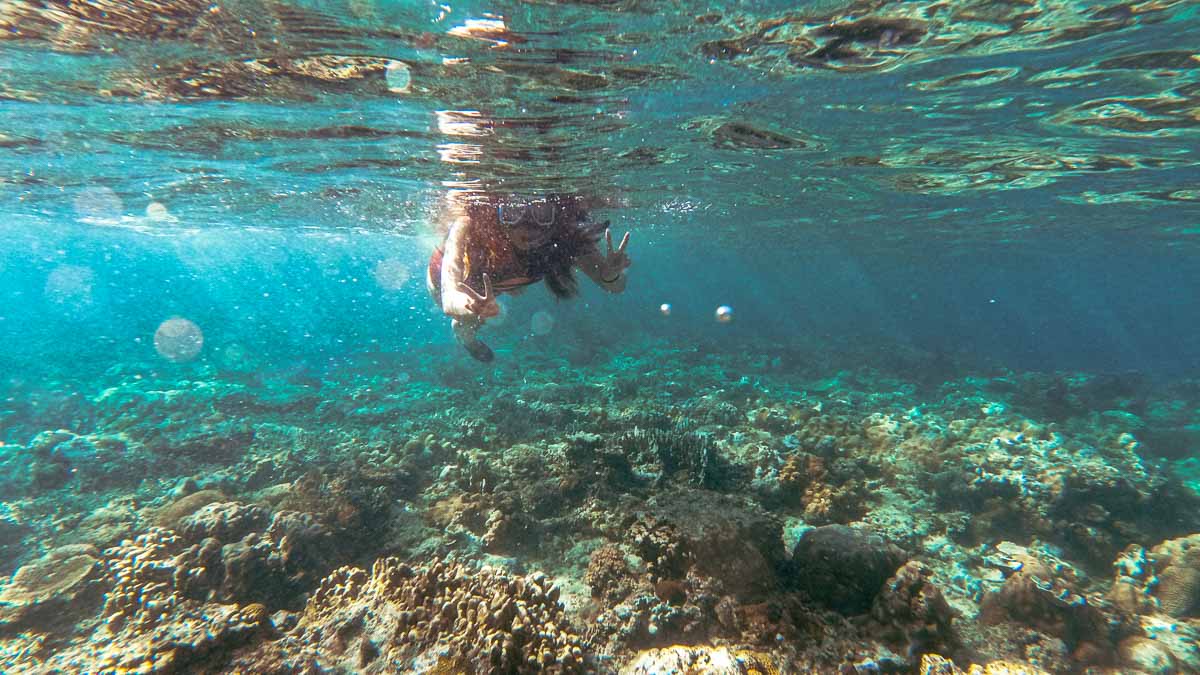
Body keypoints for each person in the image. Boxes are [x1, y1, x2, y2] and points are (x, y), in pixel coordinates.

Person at [427, 192, 632, 361]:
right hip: (449, 283)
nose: (528, 225)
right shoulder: (467, 224)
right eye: (513, 212)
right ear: (498, 215)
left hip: (499, 283)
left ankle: (502, 292)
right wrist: (470, 306)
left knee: (494, 300)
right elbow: (449, 297)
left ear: (554, 216)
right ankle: (466, 339)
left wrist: (610, 274)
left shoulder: (563, 236)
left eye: (541, 212)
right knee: (467, 321)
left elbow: (615, 287)